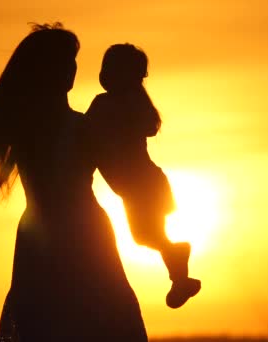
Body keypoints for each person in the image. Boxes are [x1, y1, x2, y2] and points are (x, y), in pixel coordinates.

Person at [0, 24, 148, 341]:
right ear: (51, 70)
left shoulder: (24, 129)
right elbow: (124, 182)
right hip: (83, 234)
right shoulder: (81, 127)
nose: (73, 69)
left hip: (38, 237)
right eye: (68, 61)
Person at [86, 43, 201, 309]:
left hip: (142, 186)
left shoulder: (108, 105)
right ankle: (180, 278)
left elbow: (85, 131)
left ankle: (179, 262)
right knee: (149, 235)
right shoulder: (130, 107)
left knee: (145, 236)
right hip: (144, 184)